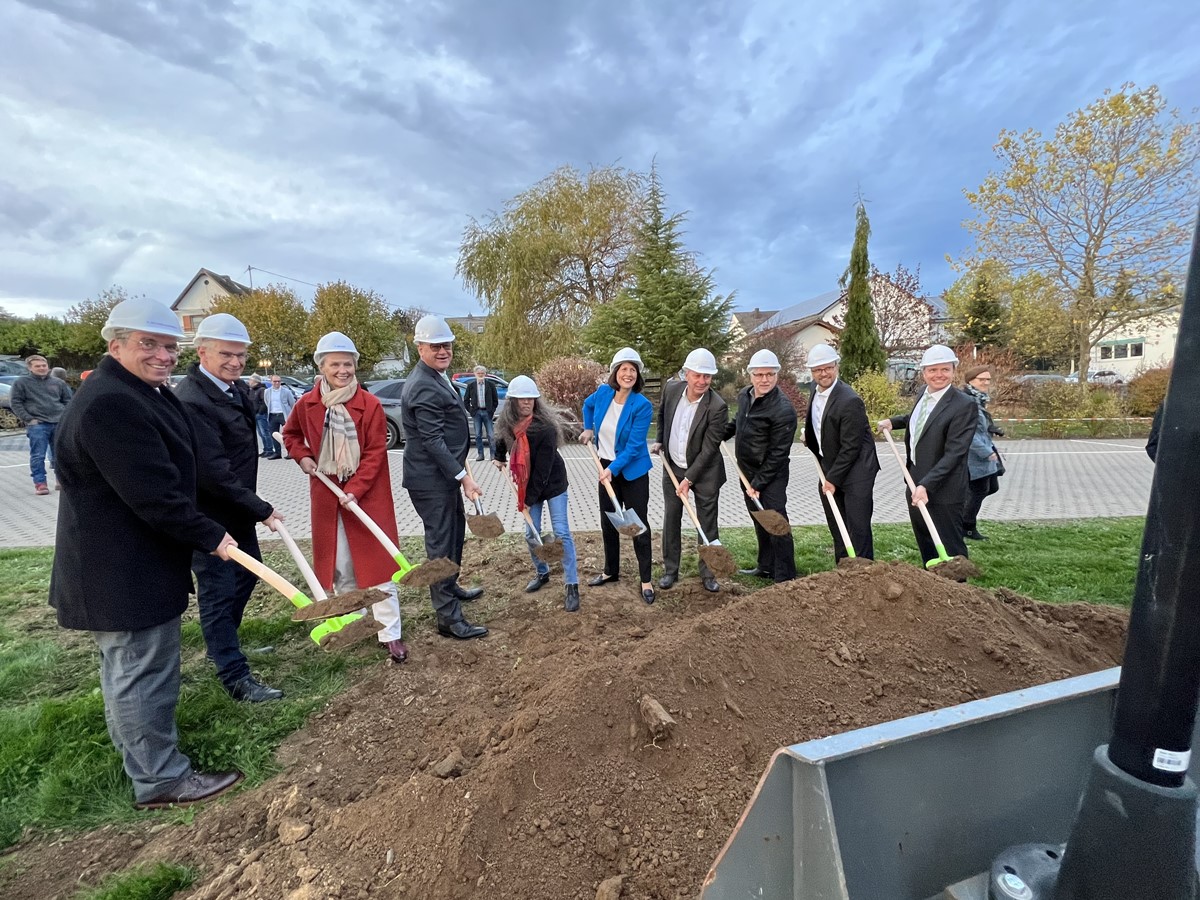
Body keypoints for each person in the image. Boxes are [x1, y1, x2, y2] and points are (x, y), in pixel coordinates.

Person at [49, 297, 243, 810]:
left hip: (131, 561)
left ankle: (144, 755)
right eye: (148, 344)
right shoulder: (112, 403)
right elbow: (153, 493)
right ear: (116, 346)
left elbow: (182, 467)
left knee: (130, 668)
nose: (162, 355)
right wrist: (212, 536)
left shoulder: (139, 391)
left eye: (168, 346)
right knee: (140, 669)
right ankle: (160, 779)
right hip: (120, 569)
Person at [175, 314, 286, 701]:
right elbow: (213, 472)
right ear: (202, 351)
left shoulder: (233, 390)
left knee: (247, 577)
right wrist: (263, 509)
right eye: (227, 354)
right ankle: (233, 675)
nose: (236, 362)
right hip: (211, 514)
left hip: (236, 509)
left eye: (241, 355)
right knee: (219, 591)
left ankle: (226, 646)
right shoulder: (192, 400)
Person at [282, 332, 408, 662]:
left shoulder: (370, 405)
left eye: (348, 364)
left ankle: (390, 633)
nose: (343, 370)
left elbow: (376, 452)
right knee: (341, 568)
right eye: (335, 364)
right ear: (322, 367)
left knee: (379, 568)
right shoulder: (306, 404)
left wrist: (355, 489)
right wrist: (302, 457)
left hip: (367, 497)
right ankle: (354, 623)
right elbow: (291, 435)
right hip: (327, 498)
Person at [400, 316, 488, 640]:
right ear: (420, 347)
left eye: (447, 345)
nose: (443, 350)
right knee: (440, 545)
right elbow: (432, 440)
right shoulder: (423, 383)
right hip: (431, 480)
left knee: (453, 536)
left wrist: (461, 468)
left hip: (443, 476)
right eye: (436, 346)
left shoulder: (436, 376)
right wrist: (464, 477)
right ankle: (447, 618)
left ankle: (450, 588)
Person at [878, 344, 977, 566]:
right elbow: (920, 419)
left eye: (945, 369)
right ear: (924, 372)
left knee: (949, 544)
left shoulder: (964, 405)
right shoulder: (924, 393)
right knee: (925, 538)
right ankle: (934, 587)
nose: (938, 375)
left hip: (944, 488)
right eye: (932, 370)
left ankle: (957, 591)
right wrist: (894, 422)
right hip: (915, 479)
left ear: (954, 371)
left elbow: (955, 453)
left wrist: (927, 485)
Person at [493, 375, 581, 611]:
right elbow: (501, 436)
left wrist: (528, 501)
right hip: (528, 483)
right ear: (512, 401)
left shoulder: (545, 428)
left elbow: (542, 471)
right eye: (522, 399)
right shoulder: (508, 422)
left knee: (561, 532)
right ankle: (543, 573)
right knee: (531, 534)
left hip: (552, 483)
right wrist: (498, 456)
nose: (527, 403)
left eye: (531, 398)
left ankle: (572, 584)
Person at [579, 347, 656, 604]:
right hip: (605, 465)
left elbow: (635, 447)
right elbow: (586, 406)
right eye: (623, 368)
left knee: (637, 525)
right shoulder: (603, 394)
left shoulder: (642, 406)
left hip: (631, 472)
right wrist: (588, 428)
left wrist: (612, 470)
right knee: (609, 521)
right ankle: (611, 571)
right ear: (615, 372)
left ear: (637, 375)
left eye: (632, 369)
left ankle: (646, 580)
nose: (628, 373)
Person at [651, 348, 728, 593]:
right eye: (698, 375)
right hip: (673, 466)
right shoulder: (672, 390)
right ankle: (670, 570)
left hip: (704, 474)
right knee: (671, 519)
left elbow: (709, 450)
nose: (702, 381)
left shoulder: (717, 406)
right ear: (687, 374)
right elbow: (663, 414)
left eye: (707, 376)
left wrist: (689, 480)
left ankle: (708, 573)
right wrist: (660, 440)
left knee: (707, 524)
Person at [802, 343, 879, 560]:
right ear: (812, 372)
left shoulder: (849, 400)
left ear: (837, 366)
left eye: (828, 368)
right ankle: (843, 571)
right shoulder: (814, 391)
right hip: (830, 466)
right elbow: (822, 423)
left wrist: (832, 479)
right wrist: (810, 436)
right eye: (818, 370)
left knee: (857, 526)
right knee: (838, 524)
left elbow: (851, 447)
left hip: (857, 471)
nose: (823, 373)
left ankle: (864, 572)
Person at [729, 349, 797, 582]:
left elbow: (779, 453)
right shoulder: (745, 396)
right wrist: (719, 433)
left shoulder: (783, 409)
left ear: (777, 375)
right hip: (746, 472)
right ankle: (766, 566)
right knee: (760, 520)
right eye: (759, 374)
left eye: (769, 374)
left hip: (771, 476)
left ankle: (785, 575)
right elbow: (738, 421)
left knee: (776, 523)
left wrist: (759, 483)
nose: (764, 379)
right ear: (750, 376)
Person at [10, 354, 72, 494]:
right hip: (38, 425)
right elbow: (15, 402)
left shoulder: (58, 383)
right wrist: (28, 418)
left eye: (44, 365)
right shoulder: (21, 383)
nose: (42, 368)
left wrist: (65, 417)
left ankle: (60, 480)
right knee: (38, 456)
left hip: (58, 423)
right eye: (37, 366)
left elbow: (68, 401)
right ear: (30, 368)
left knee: (60, 454)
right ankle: (40, 483)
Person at [961, 365, 1004, 541]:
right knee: (979, 489)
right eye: (981, 379)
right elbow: (967, 433)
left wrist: (992, 428)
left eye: (987, 379)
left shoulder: (979, 399)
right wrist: (986, 452)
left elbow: (980, 425)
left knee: (991, 487)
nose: (986, 382)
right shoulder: (967, 401)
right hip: (973, 455)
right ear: (970, 381)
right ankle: (967, 527)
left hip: (984, 449)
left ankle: (961, 516)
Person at [464, 365, 500, 461]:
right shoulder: (471, 386)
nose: (480, 375)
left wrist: (492, 410)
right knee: (477, 435)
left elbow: (495, 400)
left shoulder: (490, 385)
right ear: (475, 374)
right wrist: (471, 411)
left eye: (482, 373)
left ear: (485, 374)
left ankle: (493, 455)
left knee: (491, 435)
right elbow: (466, 400)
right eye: (478, 373)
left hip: (487, 412)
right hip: (477, 413)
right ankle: (480, 455)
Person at [263, 374, 295, 458]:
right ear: (271, 382)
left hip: (283, 415)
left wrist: (291, 415)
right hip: (272, 415)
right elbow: (267, 402)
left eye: (278, 381)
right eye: (275, 381)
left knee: (287, 434)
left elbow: (292, 403)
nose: (277, 383)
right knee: (274, 434)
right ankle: (277, 452)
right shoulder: (267, 392)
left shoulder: (286, 391)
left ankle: (290, 452)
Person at [247, 374, 273, 457]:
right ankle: (265, 449)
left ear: (255, 381)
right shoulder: (252, 390)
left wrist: (260, 412)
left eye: (250, 380)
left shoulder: (261, 390)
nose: (249, 382)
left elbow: (264, 402)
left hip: (260, 414)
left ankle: (269, 449)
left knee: (265, 432)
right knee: (261, 433)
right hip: (254, 414)